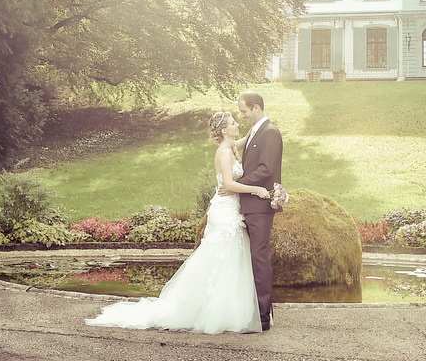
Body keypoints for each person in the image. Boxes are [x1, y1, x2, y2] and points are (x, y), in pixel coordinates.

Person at [84, 111, 272, 334]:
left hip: (231, 209)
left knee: (228, 260)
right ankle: (212, 311)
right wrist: (257, 189)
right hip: (225, 212)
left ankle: (226, 309)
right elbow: (229, 185)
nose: (237, 124)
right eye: (233, 123)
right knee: (222, 259)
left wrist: (258, 123)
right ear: (224, 130)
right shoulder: (223, 152)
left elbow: (243, 140)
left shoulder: (230, 146)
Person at [235, 90, 284, 331]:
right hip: (251, 204)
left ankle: (263, 318)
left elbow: (265, 169)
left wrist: (238, 185)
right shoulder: (255, 132)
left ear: (256, 108)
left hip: (260, 207)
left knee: (260, 258)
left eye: (244, 111)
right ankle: (260, 311)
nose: (242, 115)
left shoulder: (270, 133)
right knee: (254, 258)